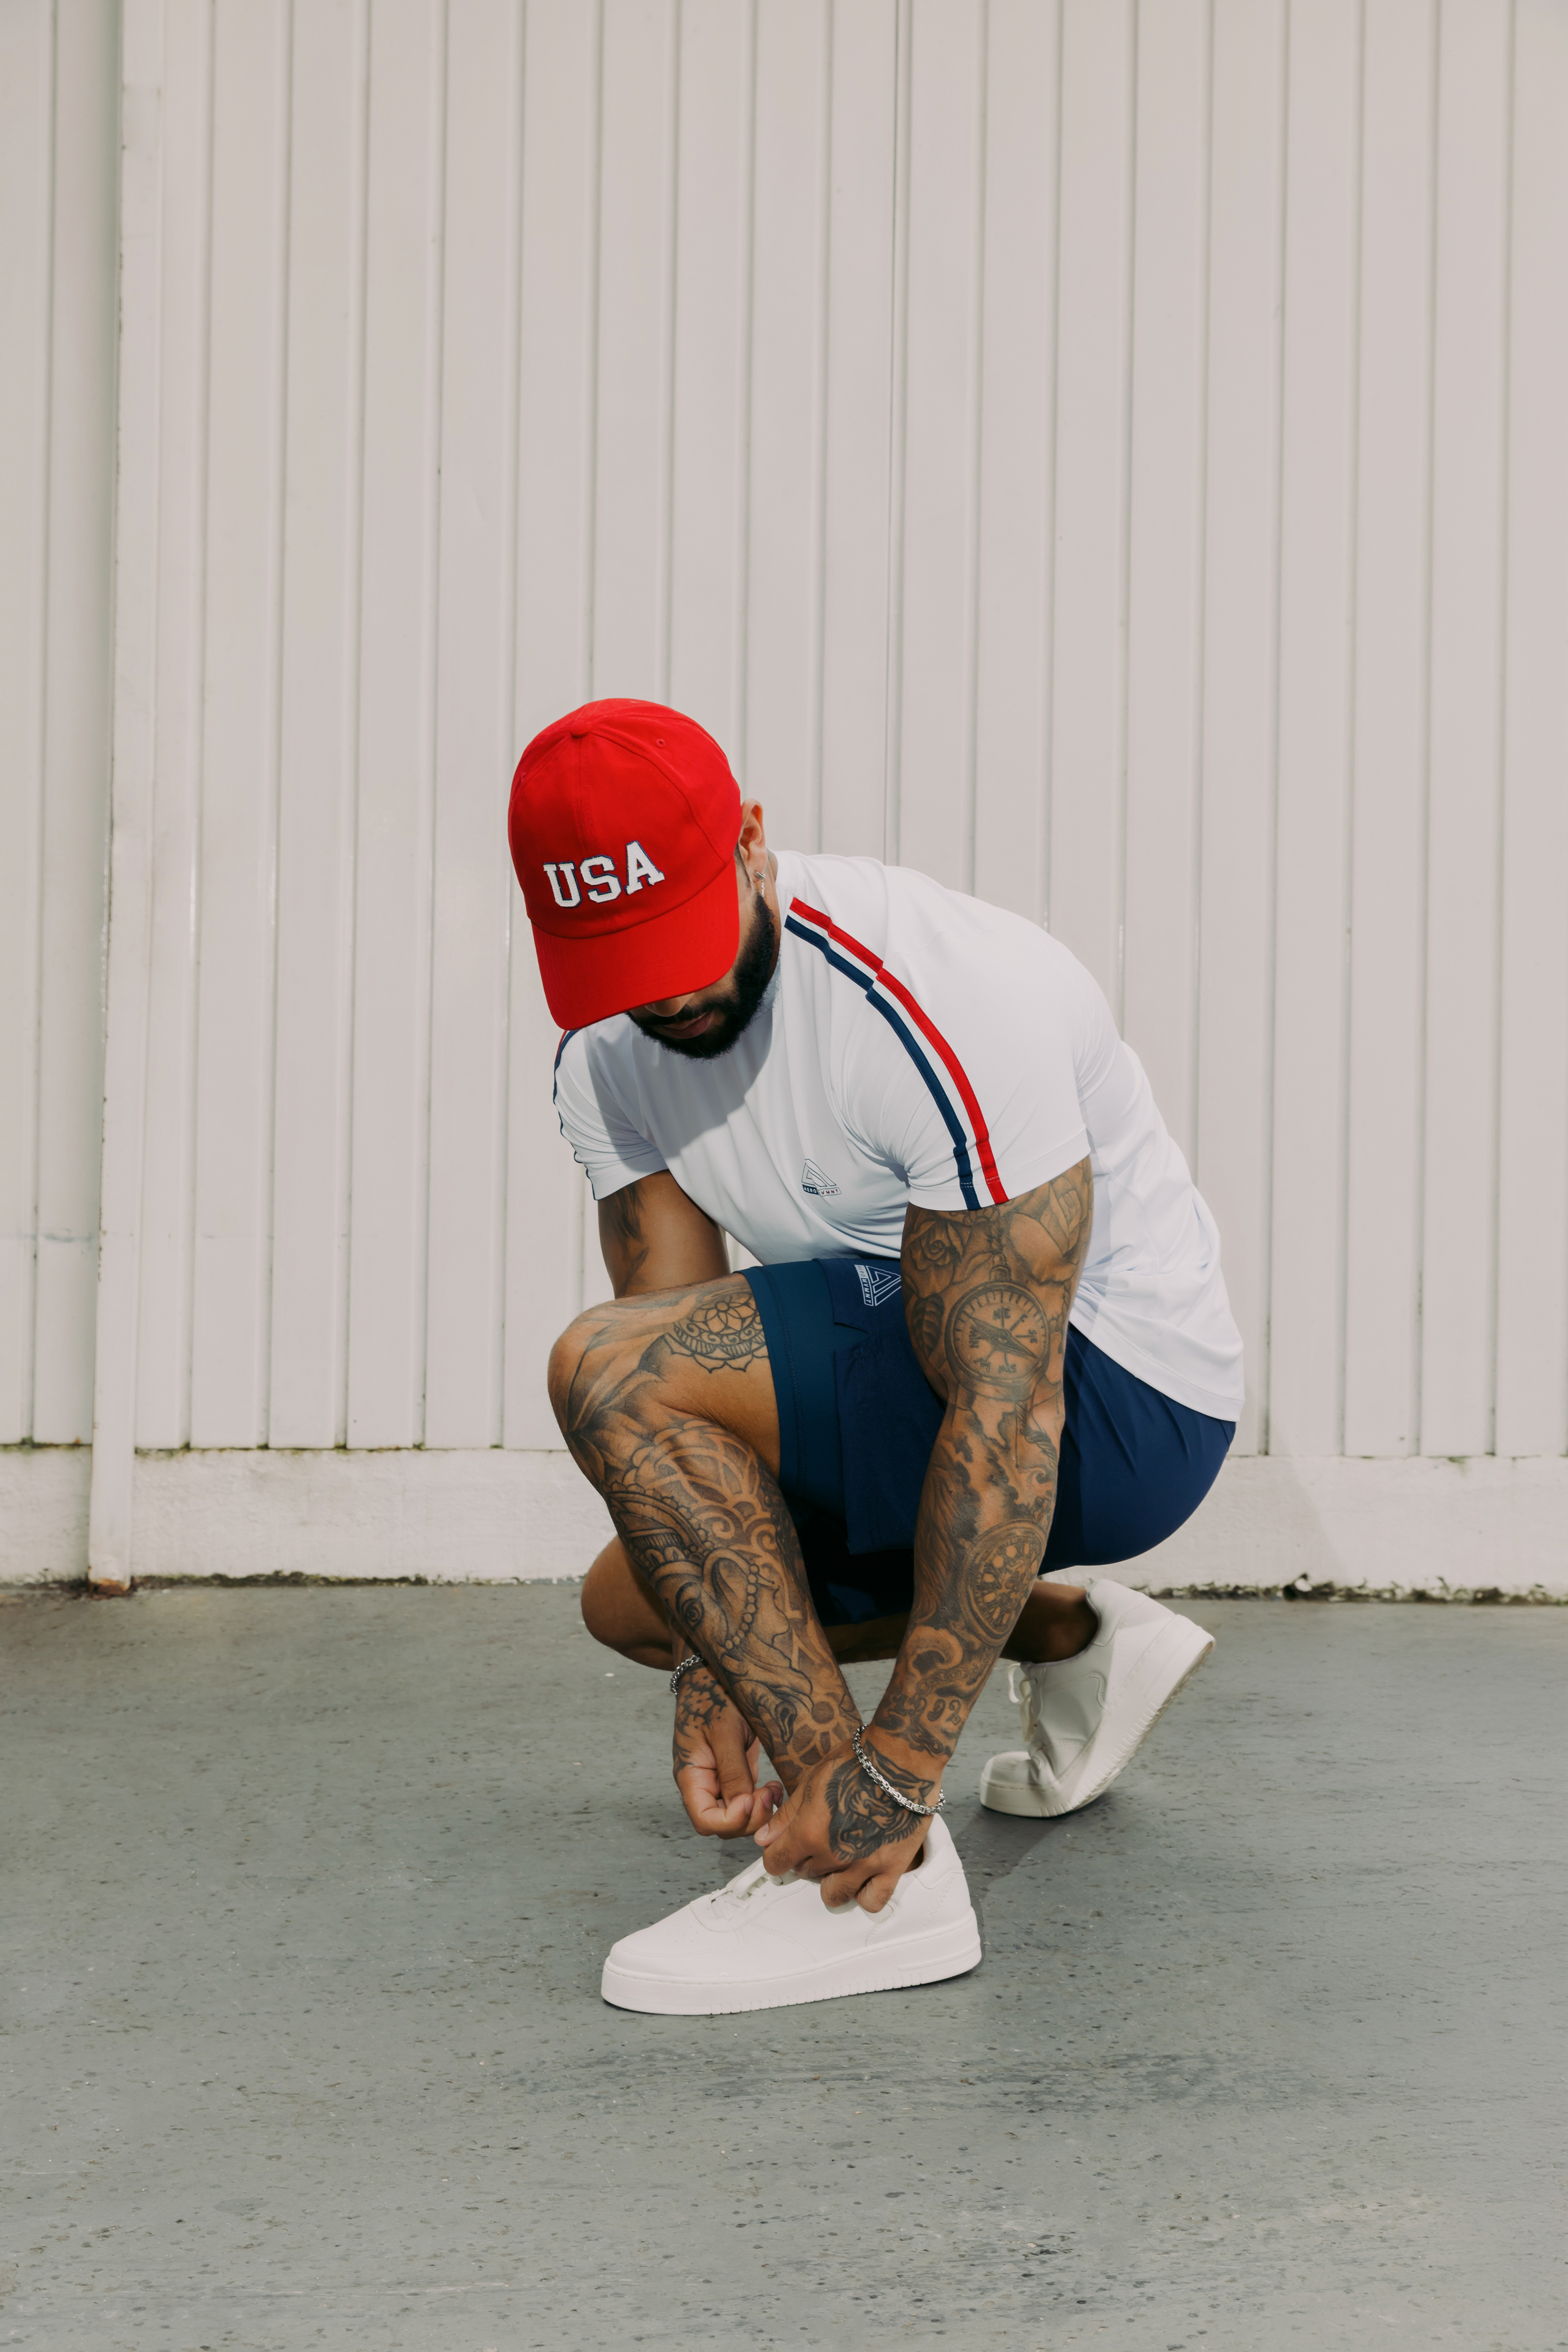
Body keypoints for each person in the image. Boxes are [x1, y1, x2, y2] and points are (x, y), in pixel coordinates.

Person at [511, 699, 1242, 2016]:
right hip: (923, 1353)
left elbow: (1009, 1411)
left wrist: (894, 1774)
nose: (665, 992)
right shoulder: (607, 1055)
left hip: (1119, 1393)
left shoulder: (939, 996)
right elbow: (678, 1340)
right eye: (617, 960)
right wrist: (712, 1658)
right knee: (638, 1600)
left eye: (676, 935)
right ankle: (1073, 1639)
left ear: (751, 842)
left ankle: (863, 1879)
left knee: (601, 1372)